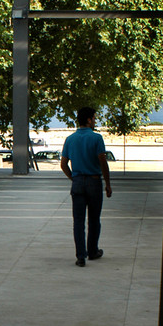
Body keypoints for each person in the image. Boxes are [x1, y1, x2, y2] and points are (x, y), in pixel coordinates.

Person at [60, 107, 112, 267]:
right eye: (94, 118)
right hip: (94, 181)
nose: (95, 121)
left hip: (77, 183)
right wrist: (108, 184)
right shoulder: (96, 138)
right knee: (94, 219)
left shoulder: (70, 139)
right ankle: (93, 251)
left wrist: (73, 178)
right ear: (89, 120)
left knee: (78, 221)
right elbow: (102, 161)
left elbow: (63, 164)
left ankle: (80, 256)